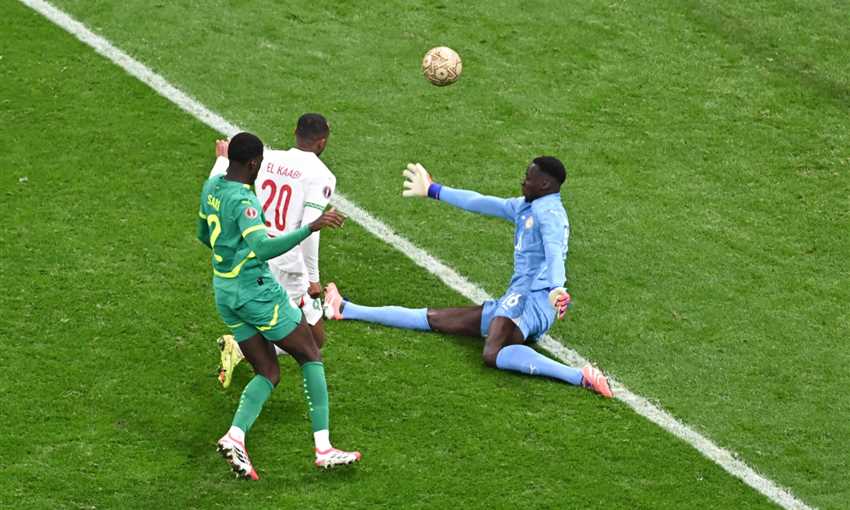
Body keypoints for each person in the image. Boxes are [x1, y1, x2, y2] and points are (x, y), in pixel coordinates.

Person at [323, 157, 613, 398]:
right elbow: (480, 202)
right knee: (436, 319)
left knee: (492, 353)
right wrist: (434, 190)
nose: (522, 181)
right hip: (520, 300)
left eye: (528, 177)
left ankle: (580, 376)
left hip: (531, 300)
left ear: (545, 184)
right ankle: (345, 309)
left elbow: (553, 251)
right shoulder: (528, 206)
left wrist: (557, 287)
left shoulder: (549, 214)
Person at [197, 132, 361, 479]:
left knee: (268, 371)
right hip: (257, 293)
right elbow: (263, 248)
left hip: (224, 291)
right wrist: (311, 227)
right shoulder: (245, 200)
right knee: (310, 352)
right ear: (254, 163)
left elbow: (203, 235)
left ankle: (235, 437)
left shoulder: (211, 186)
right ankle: (324, 449)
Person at [210, 114, 336, 388]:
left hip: (257, 251)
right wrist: (313, 278)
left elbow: (228, 184)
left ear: (294, 132)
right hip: (289, 262)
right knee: (307, 341)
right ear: (322, 142)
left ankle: (243, 346)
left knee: (314, 336)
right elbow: (311, 229)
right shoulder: (322, 175)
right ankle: (240, 349)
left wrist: (221, 161)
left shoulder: (267, 158)